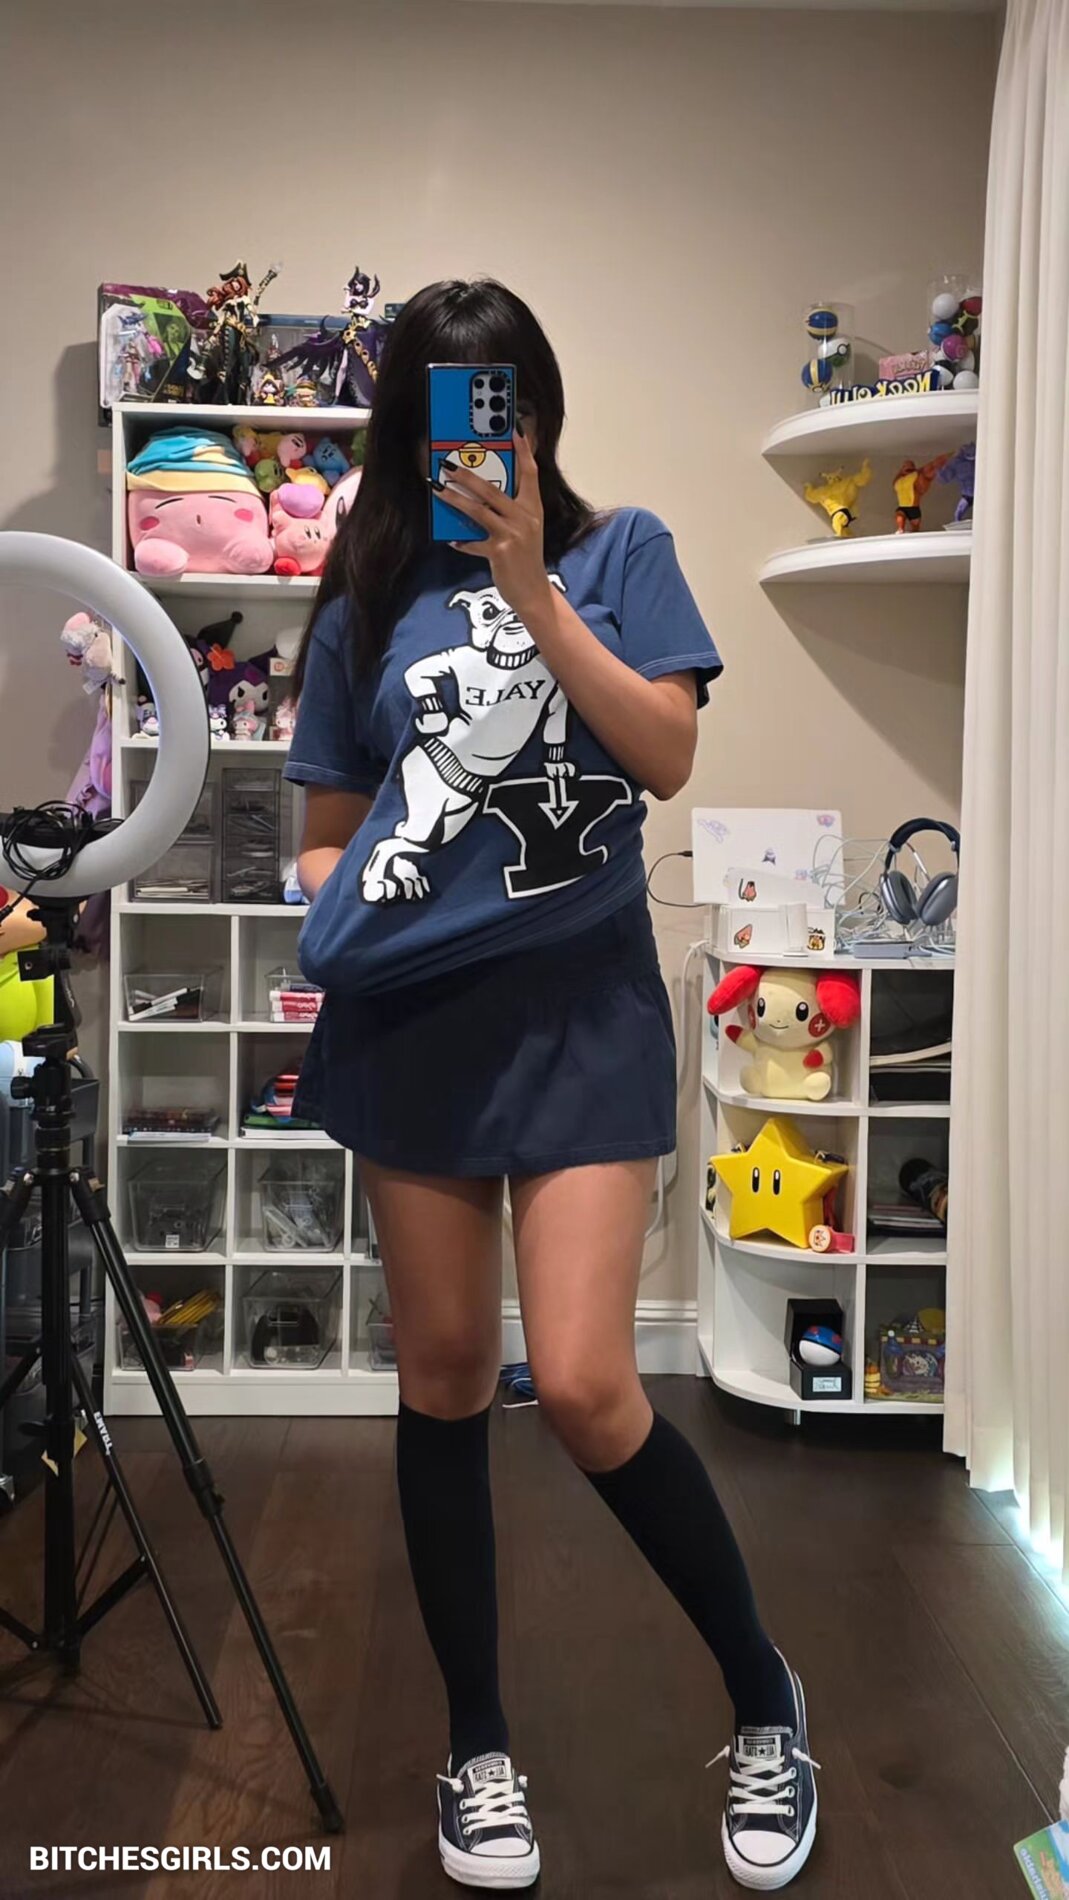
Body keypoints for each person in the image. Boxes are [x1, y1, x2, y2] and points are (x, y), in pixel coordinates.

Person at [285, 279, 819, 1893]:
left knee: (585, 1385)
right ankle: (477, 1750)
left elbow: (662, 752)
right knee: (445, 1375)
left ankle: (765, 1698)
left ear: (538, 410)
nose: (475, 433)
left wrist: (529, 587)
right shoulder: (363, 599)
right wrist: (389, 881)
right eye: (446, 406)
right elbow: (322, 841)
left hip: (581, 1013)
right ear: (407, 428)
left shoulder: (622, 551)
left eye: (500, 398)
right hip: (418, 1020)